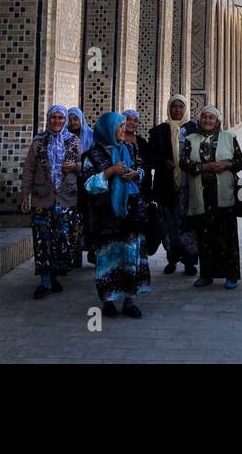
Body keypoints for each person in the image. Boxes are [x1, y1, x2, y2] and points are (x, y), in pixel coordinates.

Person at [82, 111, 151, 318]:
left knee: (130, 256)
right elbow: (88, 185)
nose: (124, 130)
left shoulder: (129, 148)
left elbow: (142, 170)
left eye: (123, 126)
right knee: (108, 258)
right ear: (108, 130)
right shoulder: (92, 155)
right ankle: (109, 300)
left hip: (131, 213)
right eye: (119, 127)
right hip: (106, 216)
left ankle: (130, 301)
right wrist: (109, 171)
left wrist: (136, 174)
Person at [19, 104, 82, 299]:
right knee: (43, 240)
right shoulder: (39, 142)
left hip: (66, 199)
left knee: (63, 239)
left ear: (65, 121)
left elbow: (85, 166)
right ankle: (45, 280)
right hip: (42, 198)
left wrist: (75, 166)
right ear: (49, 119)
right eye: (54, 118)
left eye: (60, 118)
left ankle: (55, 274)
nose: (57, 121)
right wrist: (24, 195)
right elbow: (29, 169)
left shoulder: (73, 141)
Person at [180, 105, 242, 289]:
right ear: (199, 119)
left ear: (217, 121)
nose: (207, 121)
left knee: (228, 237)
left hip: (225, 195)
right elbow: (184, 162)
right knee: (204, 237)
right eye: (204, 117)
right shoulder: (191, 139)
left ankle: (231, 275)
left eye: (211, 118)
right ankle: (206, 275)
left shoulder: (229, 137)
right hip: (201, 196)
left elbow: (240, 161)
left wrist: (227, 165)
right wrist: (204, 168)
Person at [145, 95, 198, 275]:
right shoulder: (159, 131)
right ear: (169, 108)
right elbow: (150, 157)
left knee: (188, 224)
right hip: (166, 185)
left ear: (186, 109)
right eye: (174, 106)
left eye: (180, 106)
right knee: (169, 224)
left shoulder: (194, 130)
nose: (177, 110)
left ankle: (189, 261)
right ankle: (172, 258)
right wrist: (163, 161)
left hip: (188, 185)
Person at [67, 107, 93, 267]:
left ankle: (92, 251)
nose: (72, 122)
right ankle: (74, 257)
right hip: (69, 185)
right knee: (73, 220)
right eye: (70, 119)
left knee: (89, 219)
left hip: (88, 185)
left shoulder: (90, 136)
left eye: (75, 119)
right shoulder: (64, 138)